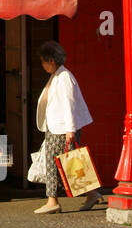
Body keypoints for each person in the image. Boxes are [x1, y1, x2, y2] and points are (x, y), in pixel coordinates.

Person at [33, 41, 102, 214]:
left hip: (62, 129)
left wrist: (70, 130)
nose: (42, 65)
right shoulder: (57, 75)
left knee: (56, 163)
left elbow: (69, 104)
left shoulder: (64, 77)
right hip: (57, 127)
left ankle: (52, 201)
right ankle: (91, 193)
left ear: (51, 61)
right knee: (69, 164)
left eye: (43, 61)